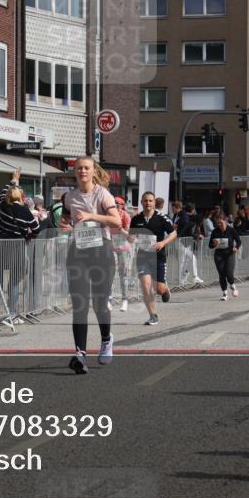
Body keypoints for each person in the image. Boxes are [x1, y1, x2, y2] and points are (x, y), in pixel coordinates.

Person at [59, 157, 121, 373]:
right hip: (78, 252)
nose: (82, 172)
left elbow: (116, 221)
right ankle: (80, 354)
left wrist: (90, 216)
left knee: (99, 303)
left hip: (101, 251)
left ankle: (106, 339)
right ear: (75, 172)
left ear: (93, 171)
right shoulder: (69, 196)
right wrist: (65, 224)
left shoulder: (102, 194)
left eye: (86, 168)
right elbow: (66, 218)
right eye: (79, 169)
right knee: (80, 305)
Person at [0, 171, 39, 319]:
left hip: (0, 247)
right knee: (14, 282)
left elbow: (2, 193)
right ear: (20, 197)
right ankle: (12, 312)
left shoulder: (3, 205)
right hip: (18, 248)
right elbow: (36, 229)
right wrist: (28, 234)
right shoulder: (25, 210)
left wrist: (14, 180)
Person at [129, 191, 176, 323]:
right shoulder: (136, 219)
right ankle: (153, 315)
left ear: (154, 202)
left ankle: (165, 289)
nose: (148, 203)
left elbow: (173, 234)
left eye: (150, 201)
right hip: (143, 257)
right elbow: (131, 236)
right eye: (145, 201)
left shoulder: (162, 218)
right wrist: (131, 238)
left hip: (158, 257)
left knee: (158, 289)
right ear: (141, 202)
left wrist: (163, 243)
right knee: (145, 286)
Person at [210, 214, 242, 299]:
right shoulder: (215, 231)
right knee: (221, 274)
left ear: (226, 222)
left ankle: (232, 285)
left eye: (221, 223)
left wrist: (236, 247)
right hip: (219, 255)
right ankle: (225, 294)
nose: (219, 225)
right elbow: (210, 245)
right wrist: (214, 244)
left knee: (229, 274)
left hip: (230, 254)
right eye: (218, 223)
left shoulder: (231, 230)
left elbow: (239, 241)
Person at [172, 200, 203, 286]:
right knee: (183, 260)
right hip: (181, 241)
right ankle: (184, 279)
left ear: (176, 207)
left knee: (188, 259)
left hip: (182, 241)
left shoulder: (181, 215)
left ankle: (186, 278)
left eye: (172, 208)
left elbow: (178, 227)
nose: (172, 209)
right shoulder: (180, 216)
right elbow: (186, 229)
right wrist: (195, 236)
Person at [112, 196, 132, 311]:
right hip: (112, 247)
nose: (115, 205)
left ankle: (124, 300)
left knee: (123, 275)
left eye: (117, 203)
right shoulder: (109, 214)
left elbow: (128, 235)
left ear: (122, 205)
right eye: (113, 203)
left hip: (123, 248)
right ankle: (109, 299)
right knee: (109, 273)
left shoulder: (125, 216)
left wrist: (120, 229)